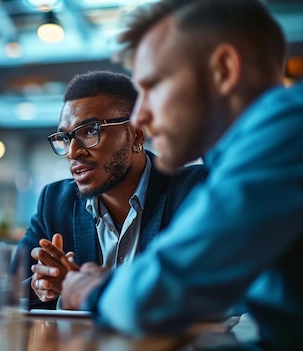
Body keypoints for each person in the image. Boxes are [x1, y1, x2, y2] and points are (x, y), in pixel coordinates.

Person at [61, 0, 303, 348]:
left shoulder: (287, 130)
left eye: (153, 86)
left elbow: (165, 291)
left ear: (223, 69)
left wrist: (95, 290)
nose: (138, 118)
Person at [17, 71, 207, 309]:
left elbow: (211, 292)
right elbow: (5, 285)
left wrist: (94, 289)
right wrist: (41, 287)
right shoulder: (55, 202)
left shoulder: (193, 192)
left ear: (136, 134)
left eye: (90, 130)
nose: (73, 152)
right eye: (65, 138)